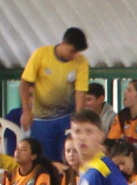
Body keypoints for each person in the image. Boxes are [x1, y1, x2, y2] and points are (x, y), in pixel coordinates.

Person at [18, 27, 90, 166]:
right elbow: (24, 84)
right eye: (72, 51)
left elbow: (80, 92)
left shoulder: (81, 62)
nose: (74, 55)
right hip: (41, 119)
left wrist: (79, 120)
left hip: (65, 118)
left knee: (67, 158)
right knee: (44, 161)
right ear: (63, 43)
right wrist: (26, 111)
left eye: (77, 52)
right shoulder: (41, 54)